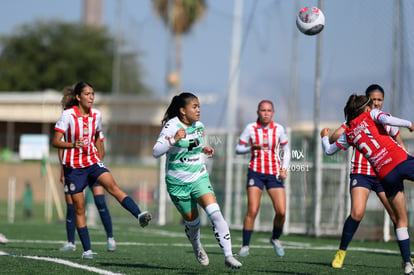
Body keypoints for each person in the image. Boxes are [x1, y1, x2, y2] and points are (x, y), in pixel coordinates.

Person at [52, 81, 152, 259]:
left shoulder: (96, 115)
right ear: (78, 97)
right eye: (87, 94)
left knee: (113, 187)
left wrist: (99, 156)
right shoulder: (67, 115)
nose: (91, 97)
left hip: (92, 162)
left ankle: (139, 214)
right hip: (74, 168)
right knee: (79, 208)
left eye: (93, 94)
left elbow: (98, 136)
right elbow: (56, 141)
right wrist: (72, 144)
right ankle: (87, 250)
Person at [321, 94, 414, 275]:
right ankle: (342, 251)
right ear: (366, 107)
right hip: (395, 162)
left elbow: (329, 150)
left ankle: (408, 264)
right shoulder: (372, 115)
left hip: (384, 174)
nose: (375, 105)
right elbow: (389, 119)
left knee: (400, 220)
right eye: (372, 103)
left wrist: (324, 137)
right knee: (361, 212)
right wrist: (410, 124)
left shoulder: (349, 132)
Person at [152, 92, 242, 269]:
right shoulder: (172, 126)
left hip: (199, 177)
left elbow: (192, 145)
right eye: (194, 106)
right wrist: (174, 138)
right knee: (193, 223)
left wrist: (202, 149)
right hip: (177, 183)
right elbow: (156, 152)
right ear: (183, 111)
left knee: (216, 214)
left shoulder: (199, 126)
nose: (198, 110)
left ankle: (229, 256)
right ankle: (197, 246)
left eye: (199, 106)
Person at [234, 100, 291, 257]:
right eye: (263, 110)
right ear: (258, 112)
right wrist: (249, 148)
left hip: (274, 174)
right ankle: (245, 246)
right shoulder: (250, 128)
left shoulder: (279, 129)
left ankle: (275, 238)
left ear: (273, 113)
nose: (266, 113)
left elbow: (286, 150)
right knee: (252, 209)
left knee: (281, 212)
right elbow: (238, 148)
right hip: (255, 173)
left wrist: (284, 169)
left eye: (269, 110)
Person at [58, 131, 116, 252]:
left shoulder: (94, 123)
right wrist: (63, 173)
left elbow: (101, 148)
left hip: (92, 168)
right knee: (72, 206)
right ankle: (71, 242)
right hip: (74, 171)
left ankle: (110, 238)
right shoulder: (67, 126)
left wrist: (97, 167)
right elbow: (61, 151)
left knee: (100, 202)